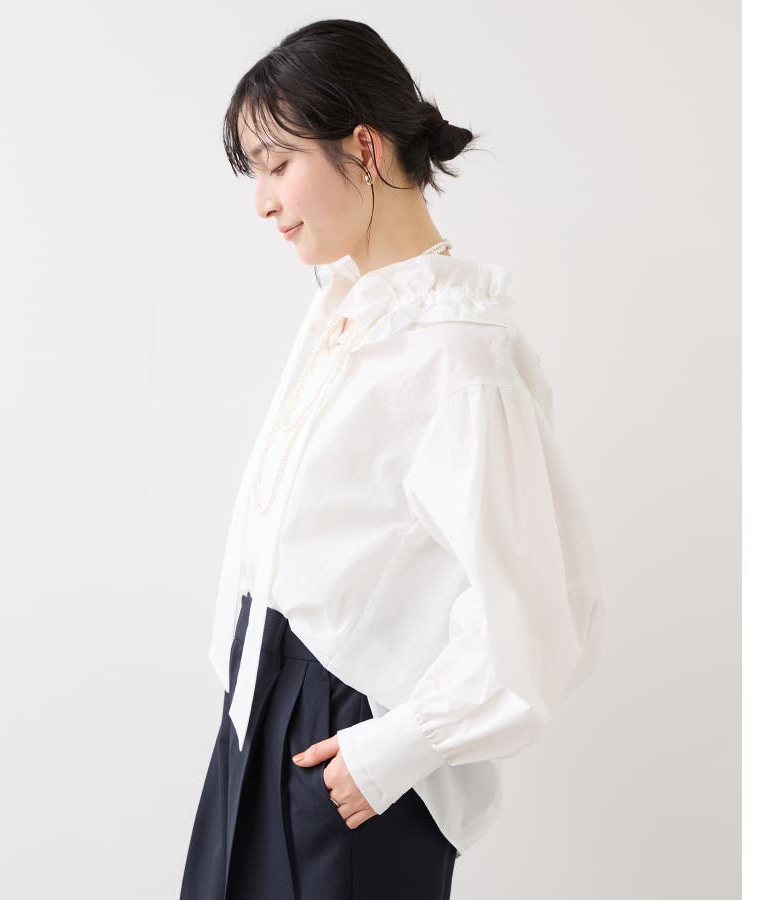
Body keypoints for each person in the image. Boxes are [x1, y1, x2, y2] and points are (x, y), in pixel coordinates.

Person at [180, 17, 607, 900]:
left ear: (364, 148)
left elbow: (545, 603)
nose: (262, 201)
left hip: (348, 743)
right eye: (254, 171)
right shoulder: (348, 313)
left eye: (277, 164)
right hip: (260, 721)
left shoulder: (462, 350)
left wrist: (401, 746)